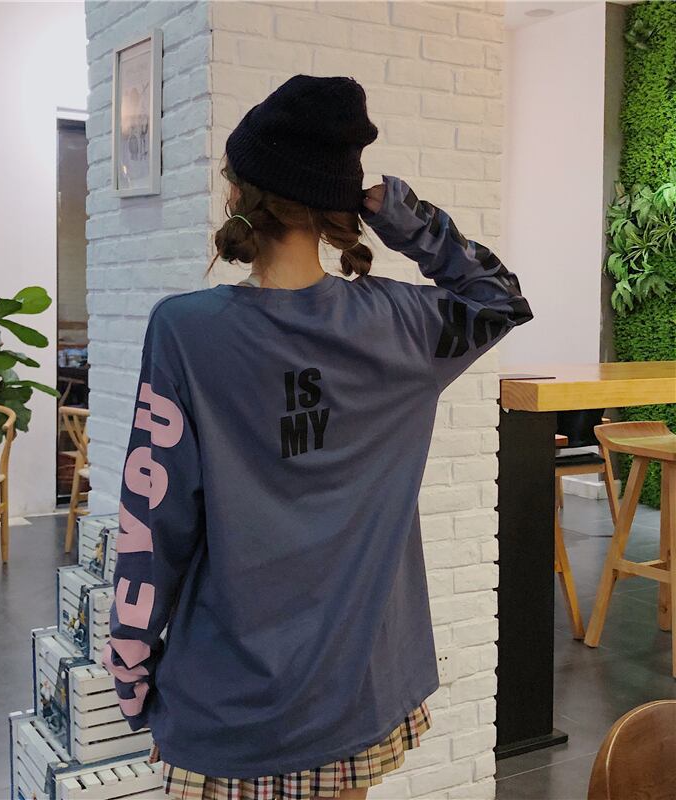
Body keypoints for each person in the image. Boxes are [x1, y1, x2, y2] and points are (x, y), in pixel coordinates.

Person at [102, 74, 533, 800]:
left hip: (230, 708)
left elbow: (153, 523)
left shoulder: (187, 333)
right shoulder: (402, 326)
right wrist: (403, 217)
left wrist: (130, 672)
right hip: (355, 699)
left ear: (238, 195)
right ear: (335, 207)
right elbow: (501, 300)